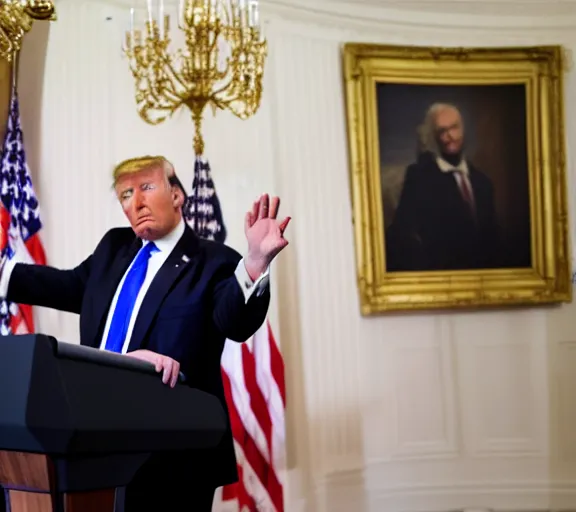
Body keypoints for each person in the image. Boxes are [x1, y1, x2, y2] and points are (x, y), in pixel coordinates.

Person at [0, 155, 290, 511]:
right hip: (93, 440)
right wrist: (3, 274)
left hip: (173, 454)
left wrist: (256, 262)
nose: (135, 203)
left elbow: (235, 321)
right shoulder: (113, 249)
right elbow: (67, 286)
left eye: (146, 188)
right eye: (125, 194)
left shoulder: (213, 261)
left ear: (177, 195)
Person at [386, 102, 503, 271]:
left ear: (462, 129)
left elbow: (493, 239)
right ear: (435, 136)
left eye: (454, 128)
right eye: (442, 131)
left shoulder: (482, 182)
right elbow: (401, 233)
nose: (450, 136)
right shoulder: (419, 177)